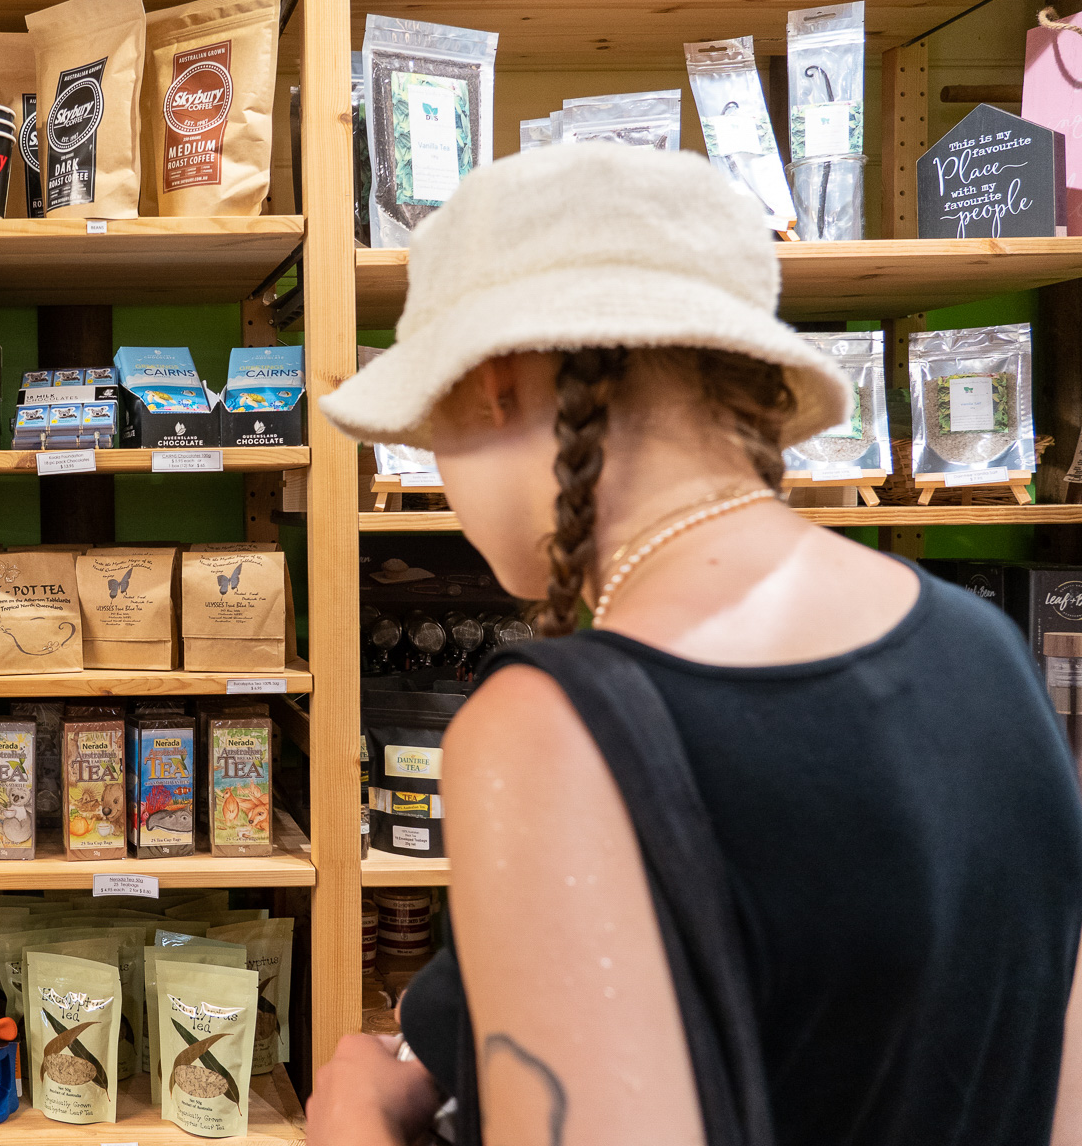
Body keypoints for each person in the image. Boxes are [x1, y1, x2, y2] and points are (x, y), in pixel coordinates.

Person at [310, 144, 1082, 1146]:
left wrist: (355, 1124)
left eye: (428, 429)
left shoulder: (552, 729)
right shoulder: (989, 650)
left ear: (494, 384)